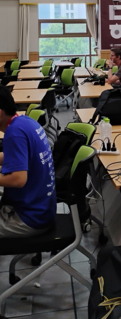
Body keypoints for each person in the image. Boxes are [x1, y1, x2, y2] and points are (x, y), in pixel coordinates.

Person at [0, 86, 56, 238]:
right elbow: (17, 156)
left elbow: (18, 180)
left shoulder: (13, 134)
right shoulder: (25, 122)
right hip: (43, 207)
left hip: (30, 218)